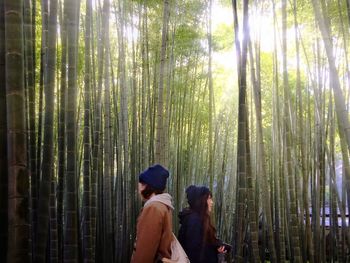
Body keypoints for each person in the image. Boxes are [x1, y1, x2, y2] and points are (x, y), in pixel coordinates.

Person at [131, 164, 174, 263]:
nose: (139, 188)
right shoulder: (163, 205)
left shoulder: (153, 208)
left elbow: (145, 251)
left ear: (146, 186)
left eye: (140, 184)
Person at [178, 185, 228, 263]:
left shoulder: (199, 219)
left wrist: (216, 248)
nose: (212, 202)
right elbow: (194, 255)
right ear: (201, 201)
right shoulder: (194, 221)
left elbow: (203, 248)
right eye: (209, 198)